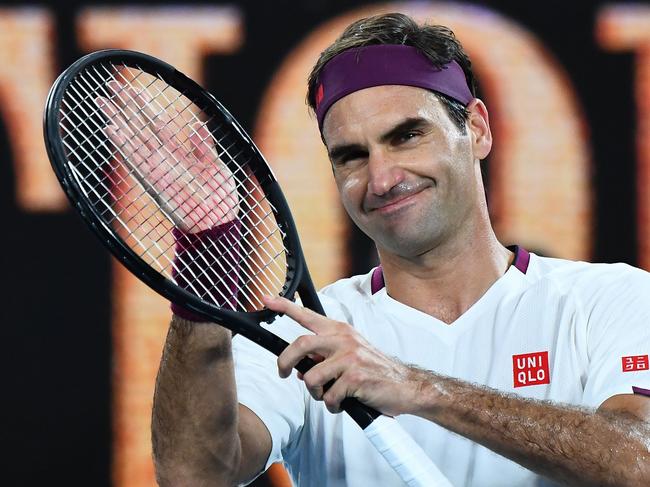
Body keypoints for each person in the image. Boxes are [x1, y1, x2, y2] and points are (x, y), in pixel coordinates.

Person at [149, 12, 650, 487]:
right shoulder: (304, 333)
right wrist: (202, 253)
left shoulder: (613, 299)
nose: (383, 179)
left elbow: (641, 462)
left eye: (407, 136)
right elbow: (195, 476)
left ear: (475, 128)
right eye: (352, 156)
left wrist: (416, 388)